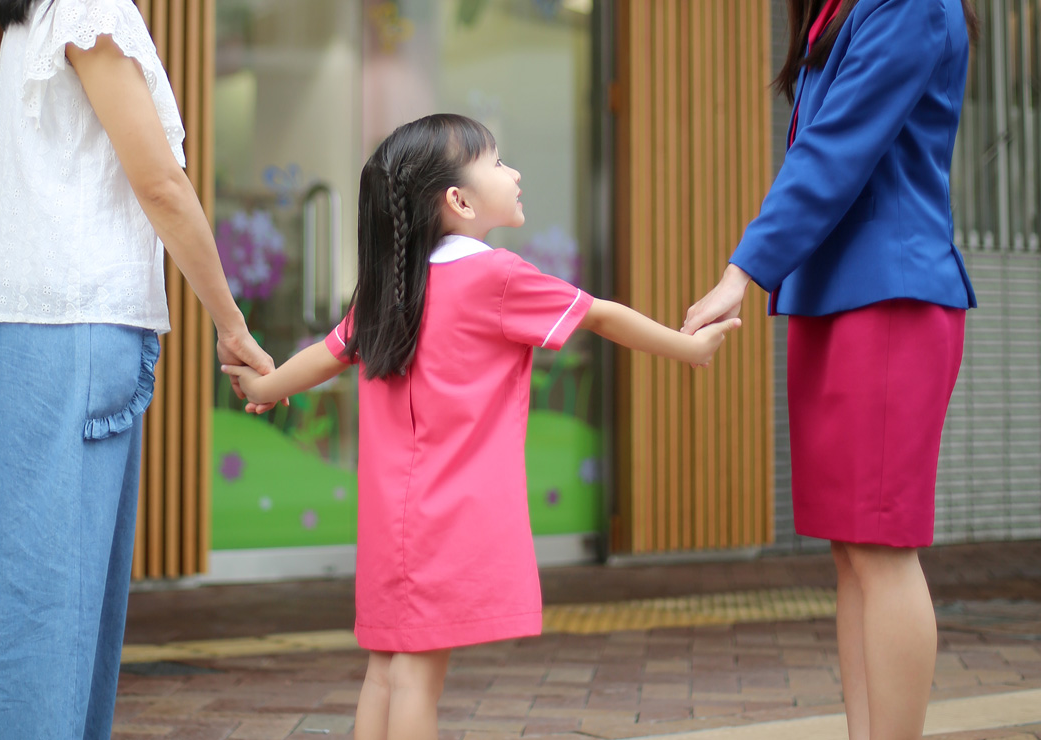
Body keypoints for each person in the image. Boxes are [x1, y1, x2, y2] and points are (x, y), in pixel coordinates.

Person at [222, 113, 741, 740]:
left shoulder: (391, 287)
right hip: (452, 513)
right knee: (419, 675)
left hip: (392, 516)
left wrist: (263, 386)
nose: (513, 172)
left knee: (386, 668)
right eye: (496, 163)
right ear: (458, 200)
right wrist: (688, 349)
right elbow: (598, 317)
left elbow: (328, 353)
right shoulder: (495, 276)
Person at [0, 1, 274, 737]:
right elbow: (161, 184)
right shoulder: (89, 9)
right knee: (63, 601)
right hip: (78, 322)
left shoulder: (28, 22)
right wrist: (232, 324)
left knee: (39, 587)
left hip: (25, 327)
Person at [682, 1, 979, 738]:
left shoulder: (912, 4)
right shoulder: (839, 9)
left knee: (880, 548)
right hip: (838, 296)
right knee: (853, 552)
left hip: (890, 295)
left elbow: (835, 151)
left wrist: (741, 270)